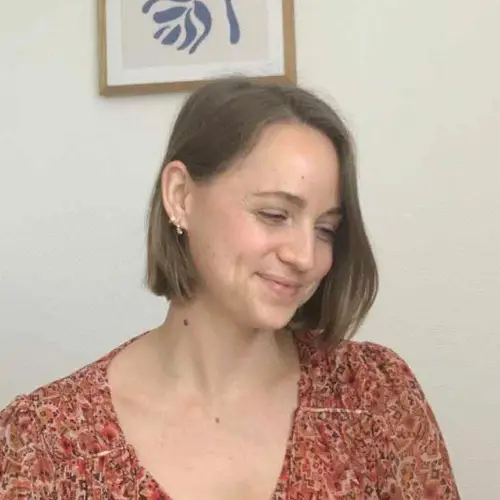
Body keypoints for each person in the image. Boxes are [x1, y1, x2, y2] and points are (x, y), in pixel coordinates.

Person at [0, 76, 460, 499]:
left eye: (326, 229)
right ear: (181, 196)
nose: (305, 257)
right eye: (274, 215)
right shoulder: (44, 443)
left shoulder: (376, 395)